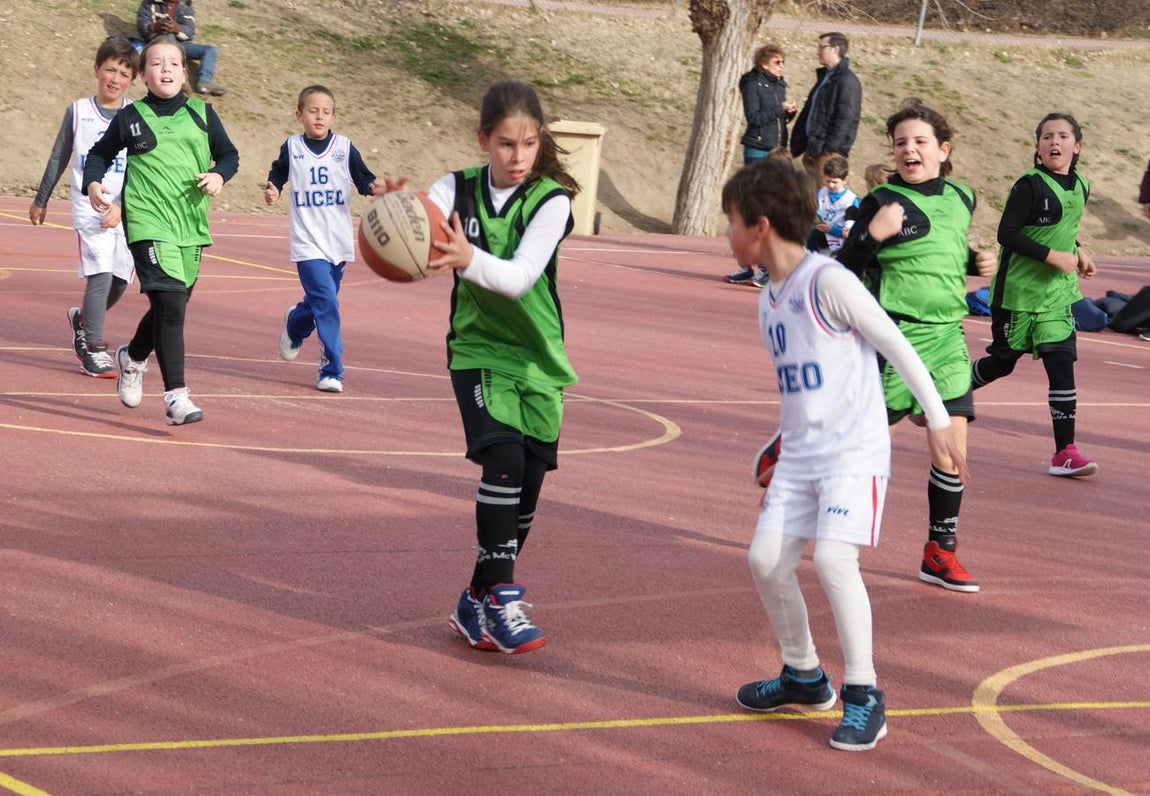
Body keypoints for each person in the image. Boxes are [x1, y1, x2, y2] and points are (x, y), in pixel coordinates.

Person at [723, 157, 968, 751]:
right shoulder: (767, 300)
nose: (726, 233)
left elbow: (896, 343)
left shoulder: (827, 281)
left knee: (835, 562)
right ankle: (804, 675)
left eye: (730, 221)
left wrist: (937, 419)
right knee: (765, 561)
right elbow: (801, 388)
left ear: (759, 225)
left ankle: (865, 693)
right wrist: (778, 445)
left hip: (854, 454)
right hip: (802, 455)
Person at [384, 81, 579, 654]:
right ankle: (501, 597)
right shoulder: (457, 188)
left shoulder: (552, 201)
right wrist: (403, 213)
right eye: (505, 145)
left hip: (538, 358)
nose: (517, 157)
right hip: (477, 348)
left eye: (528, 144)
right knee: (503, 458)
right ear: (483, 141)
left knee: (529, 486)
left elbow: (518, 278)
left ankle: (476, 598)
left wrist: (465, 255)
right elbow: (424, 216)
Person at [838, 100, 995, 593]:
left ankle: (939, 553)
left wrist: (975, 261)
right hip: (895, 338)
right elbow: (843, 268)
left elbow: (943, 248)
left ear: (943, 150)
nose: (910, 149)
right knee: (858, 447)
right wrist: (871, 237)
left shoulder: (963, 197)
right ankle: (822, 519)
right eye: (901, 142)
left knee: (951, 448)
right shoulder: (881, 201)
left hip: (948, 338)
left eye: (921, 141)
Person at [82, 37, 239, 426]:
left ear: (184, 71)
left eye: (173, 63)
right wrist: (94, 183)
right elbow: (99, 154)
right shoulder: (130, 117)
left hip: (190, 225)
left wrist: (220, 175)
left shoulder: (203, 113)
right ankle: (176, 397)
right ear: (144, 75)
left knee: (173, 305)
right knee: (170, 306)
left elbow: (230, 155)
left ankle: (132, 357)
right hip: (148, 223)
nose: (165, 69)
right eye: (156, 64)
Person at [971, 113, 1099, 477]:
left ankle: (1065, 453)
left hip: (1057, 295)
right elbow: (1006, 234)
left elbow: (1066, 228)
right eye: (1046, 137)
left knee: (1061, 362)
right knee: (1002, 362)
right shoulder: (1029, 185)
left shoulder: (1081, 185)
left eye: (1062, 136)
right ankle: (943, 393)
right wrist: (1054, 256)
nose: (1054, 143)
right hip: (1017, 294)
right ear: (1037, 146)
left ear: (1077, 146)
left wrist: (1079, 250)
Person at [29, 38, 138, 379]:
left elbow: (142, 166)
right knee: (101, 274)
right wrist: (42, 197)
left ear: (131, 79)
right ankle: (94, 348)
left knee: (119, 281)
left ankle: (82, 320)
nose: (115, 78)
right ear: (96, 70)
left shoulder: (136, 115)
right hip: (90, 209)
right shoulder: (78, 111)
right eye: (110, 69)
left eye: (123, 73)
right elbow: (60, 154)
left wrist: (122, 203)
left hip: (128, 208)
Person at [265, 85, 385, 393]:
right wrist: (274, 188)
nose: (319, 116)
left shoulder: (344, 148)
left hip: (338, 241)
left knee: (321, 301)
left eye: (325, 112)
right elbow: (279, 172)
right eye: (313, 111)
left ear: (334, 116)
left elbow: (363, 179)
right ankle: (332, 369)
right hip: (307, 242)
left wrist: (376, 188)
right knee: (328, 303)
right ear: (299, 114)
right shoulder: (292, 147)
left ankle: (295, 322)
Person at [725, 44, 799, 288]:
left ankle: (768, 265)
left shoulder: (780, 84)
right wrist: (779, 109)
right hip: (758, 150)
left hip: (777, 150)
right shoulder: (752, 83)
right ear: (764, 63)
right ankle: (746, 265)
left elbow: (777, 119)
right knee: (752, 206)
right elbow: (754, 117)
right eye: (778, 62)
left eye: (783, 62)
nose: (782, 67)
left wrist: (789, 114)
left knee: (773, 209)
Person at [789, 32, 862, 181]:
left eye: (822, 47)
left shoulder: (847, 81)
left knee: (826, 200)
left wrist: (828, 149)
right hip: (813, 148)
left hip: (827, 154)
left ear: (835, 49)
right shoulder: (826, 77)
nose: (817, 51)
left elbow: (846, 119)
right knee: (813, 200)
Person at [137, 0, 226, 96]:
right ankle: (172, 82)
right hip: (159, 43)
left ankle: (204, 82)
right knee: (169, 36)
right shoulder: (149, 3)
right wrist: (155, 27)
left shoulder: (185, 5)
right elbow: (142, 26)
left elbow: (190, 30)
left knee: (210, 50)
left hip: (181, 44)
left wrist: (178, 29)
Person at [808, 155, 858, 254]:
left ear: (845, 180)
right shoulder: (821, 192)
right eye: (827, 181)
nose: (830, 185)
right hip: (817, 236)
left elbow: (850, 232)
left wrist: (832, 230)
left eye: (835, 182)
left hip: (838, 242)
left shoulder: (852, 201)